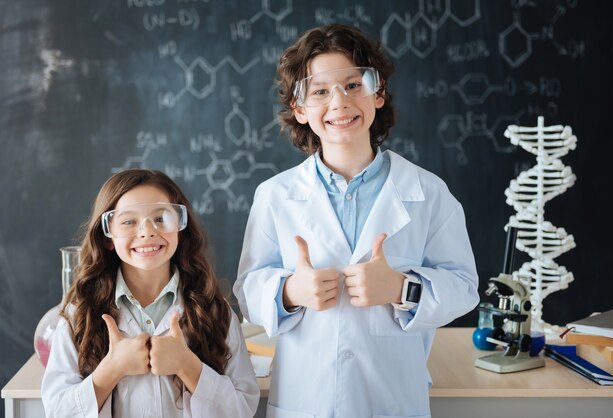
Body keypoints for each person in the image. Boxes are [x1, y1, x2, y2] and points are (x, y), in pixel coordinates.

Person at [234, 23, 479, 418]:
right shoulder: (276, 196)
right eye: (319, 91)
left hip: (392, 397)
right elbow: (248, 290)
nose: (339, 103)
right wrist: (290, 293)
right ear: (300, 109)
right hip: (305, 398)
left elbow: (464, 287)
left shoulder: (427, 193)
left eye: (353, 85)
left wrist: (402, 288)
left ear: (377, 93)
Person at [42, 169, 259, 418]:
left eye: (160, 218)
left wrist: (187, 366)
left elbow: (242, 409)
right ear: (107, 237)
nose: (147, 232)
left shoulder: (213, 309)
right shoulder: (79, 315)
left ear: (179, 227)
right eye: (128, 221)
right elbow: (57, 412)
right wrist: (112, 369)